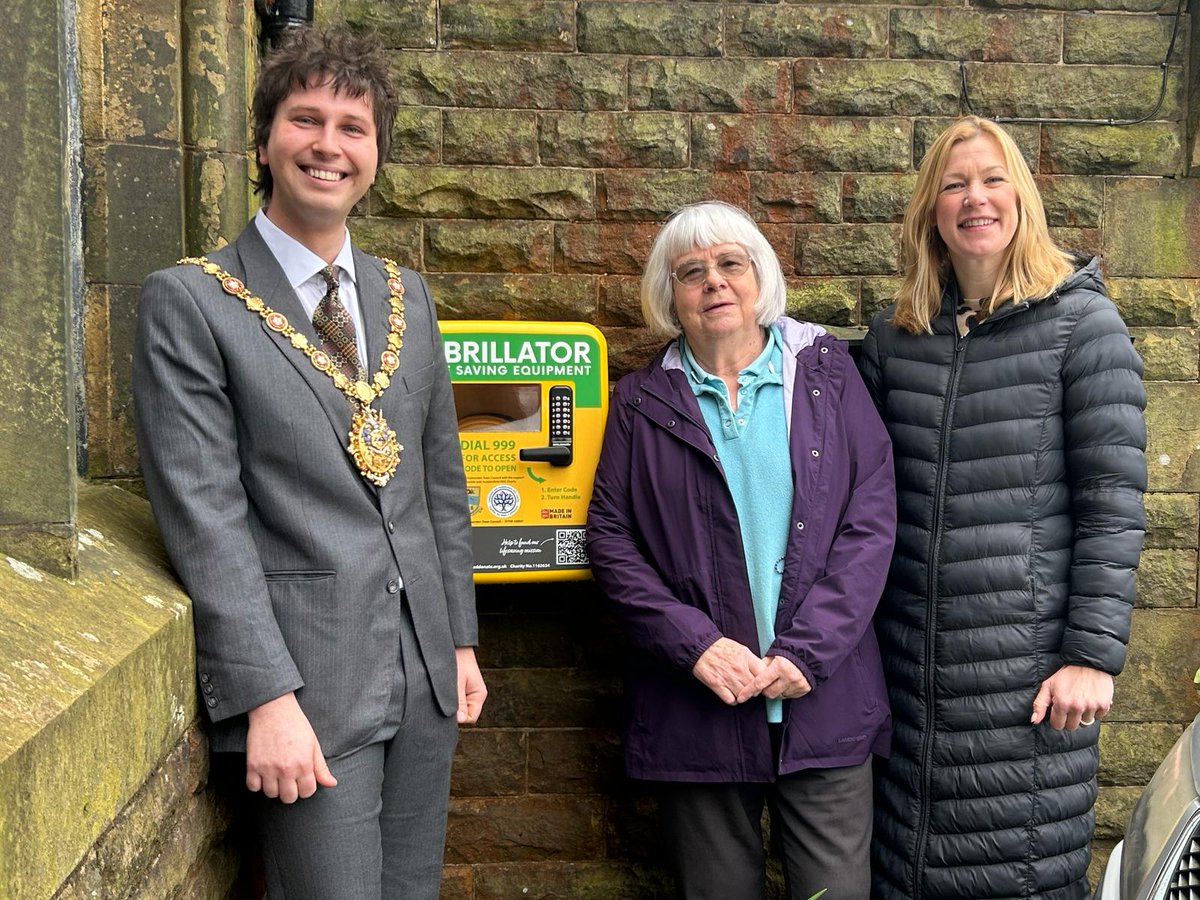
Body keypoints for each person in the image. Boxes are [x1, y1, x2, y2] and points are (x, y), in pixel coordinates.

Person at [132, 27, 484, 900]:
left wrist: (460, 640)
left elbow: (439, 481)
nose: (329, 145)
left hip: (426, 674)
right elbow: (204, 517)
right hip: (307, 695)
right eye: (306, 120)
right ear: (263, 142)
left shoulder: (407, 295)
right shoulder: (191, 302)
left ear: (375, 155)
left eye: (353, 128)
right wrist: (265, 699)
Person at [861, 116, 1147, 900]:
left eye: (993, 180)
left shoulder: (1082, 326)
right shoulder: (897, 340)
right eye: (954, 184)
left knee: (1014, 875)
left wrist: (1090, 653)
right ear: (930, 211)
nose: (975, 198)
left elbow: (1113, 504)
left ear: (1022, 198)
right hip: (909, 679)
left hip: (1026, 683)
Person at [586, 201, 897, 899]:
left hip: (825, 702)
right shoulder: (639, 403)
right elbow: (610, 540)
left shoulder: (829, 377)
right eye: (691, 272)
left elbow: (870, 522)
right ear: (670, 297)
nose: (714, 282)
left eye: (731, 264)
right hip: (696, 709)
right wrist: (695, 645)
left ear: (762, 279)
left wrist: (807, 652)